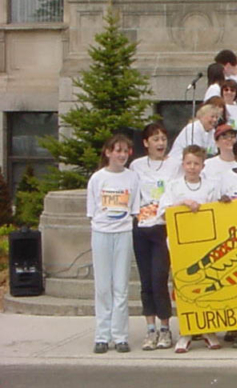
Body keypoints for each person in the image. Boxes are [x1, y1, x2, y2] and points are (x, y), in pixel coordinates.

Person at [159, 145, 222, 353]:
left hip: (204, 245)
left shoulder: (211, 187)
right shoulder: (174, 186)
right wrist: (182, 204)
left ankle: (207, 329)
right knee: (183, 289)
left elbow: (219, 212)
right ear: (183, 164)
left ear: (203, 166)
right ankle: (185, 331)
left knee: (206, 286)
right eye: (188, 163)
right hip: (180, 245)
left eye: (196, 164)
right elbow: (163, 213)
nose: (192, 167)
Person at [129, 123, 182, 351]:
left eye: (163, 139)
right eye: (155, 139)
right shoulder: (137, 165)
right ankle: (150, 329)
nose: (160, 143)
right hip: (142, 227)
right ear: (146, 143)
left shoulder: (175, 165)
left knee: (160, 278)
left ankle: (165, 327)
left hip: (163, 226)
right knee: (146, 281)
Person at [88, 134, 141, 354]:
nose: (122, 155)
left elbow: (135, 208)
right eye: (118, 150)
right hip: (101, 233)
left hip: (123, 232)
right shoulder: (97, 178)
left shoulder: (132, 177)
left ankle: (120, 336)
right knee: (103, 287)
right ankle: (102, 336)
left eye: (125, 151)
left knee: (120, 286)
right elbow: (93, 210)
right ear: (108, 152)